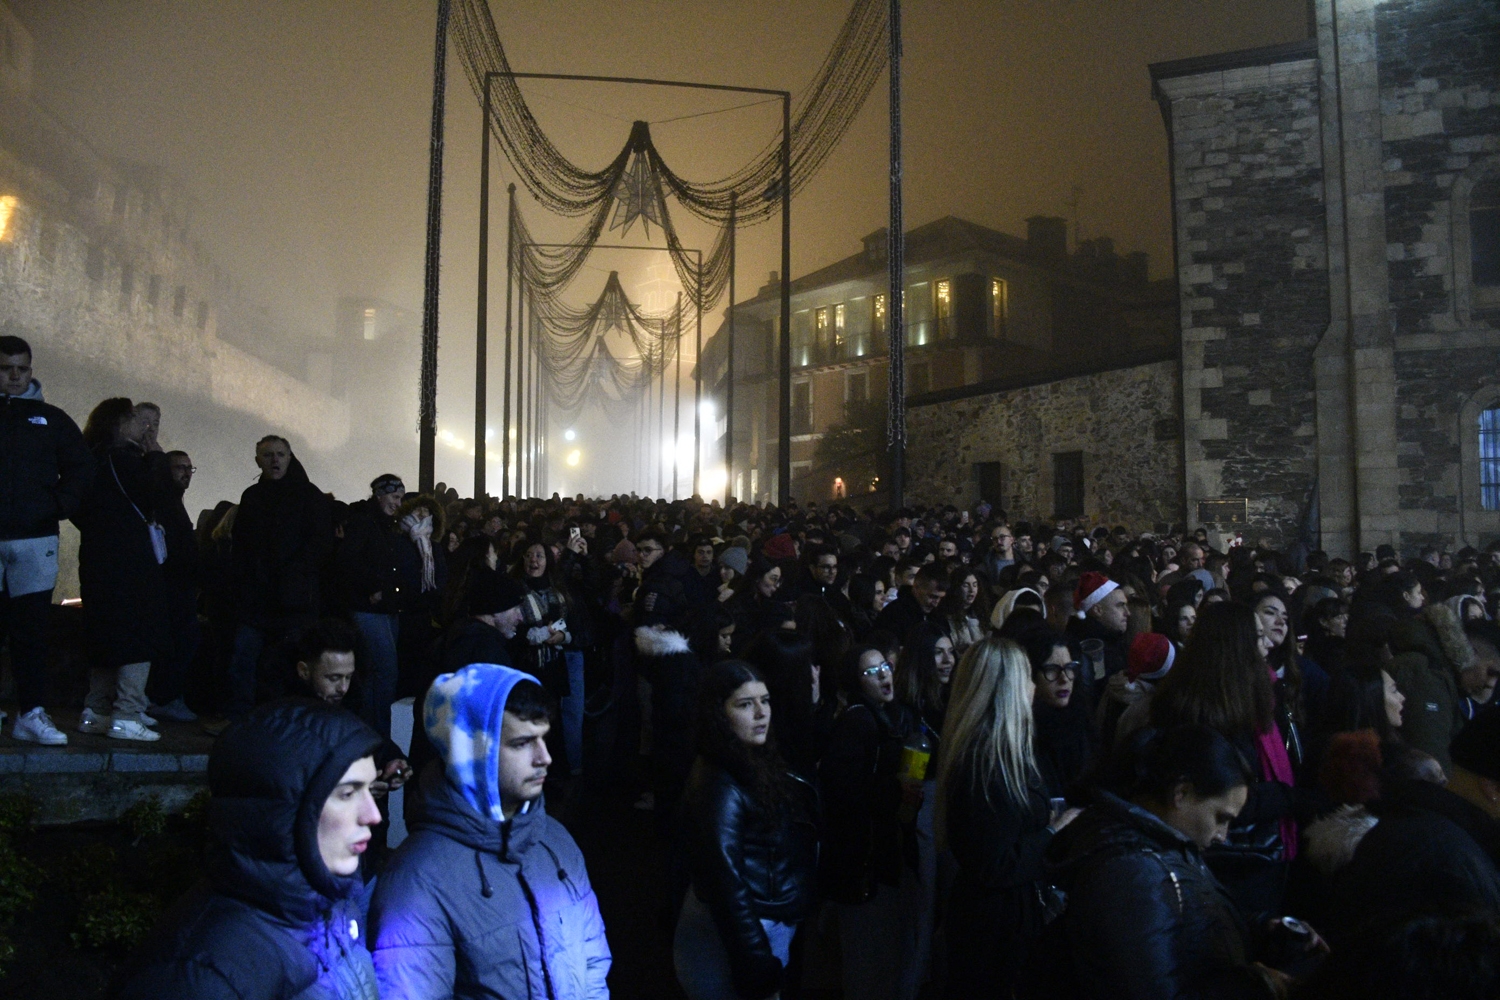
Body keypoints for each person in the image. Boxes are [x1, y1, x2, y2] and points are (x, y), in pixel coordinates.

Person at [369, 663, 611, 1000]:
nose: (544, 758)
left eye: (544, 738)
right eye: (522, 743)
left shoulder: (555, 841)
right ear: (471, 751)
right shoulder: (415, 882)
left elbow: (594, 961)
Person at [115, 699, 385, 999]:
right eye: (347, 793)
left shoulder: (331, 902)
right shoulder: (200, 976)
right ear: (280, 812)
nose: (373, 815)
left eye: (371, 790)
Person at [1034, 725, 1318, 1000]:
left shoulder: (1161, 845)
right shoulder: (1131, 872)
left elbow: (1187, 928)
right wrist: (1259, 985)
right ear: (1181, 793)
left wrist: (1261, 930)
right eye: (1220, 818)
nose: (1222, 836)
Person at [935, 637, 1079, 998]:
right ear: (1006, 689)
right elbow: (995, 863)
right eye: (1027, 677)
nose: (1034, 686)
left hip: (1004, 918)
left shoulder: (1000, 753)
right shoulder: (983, 764)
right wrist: (1053, 829)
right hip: (993, 928)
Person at [675, 660, 817, 1000]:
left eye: (765, 701)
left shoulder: (748, 757)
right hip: (746, 931)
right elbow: (728, 886)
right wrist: (758, 968)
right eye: (745, 704)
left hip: (762, 921)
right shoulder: (719, 783)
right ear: (718, 713)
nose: (761, 713)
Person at [1149, 602, 1300, 915]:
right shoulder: (1197, 713)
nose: (1269, 644)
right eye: (1259, 637)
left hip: (1252, 855)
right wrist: (1290, 798)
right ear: (1235, 647)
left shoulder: (1248, 699)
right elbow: (1215, 795)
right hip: (1224, 864)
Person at [0, 331, 93, 744]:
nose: (14, 377)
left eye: (21, 369)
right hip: (30, 535)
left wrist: (57, 505)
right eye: (6, 370)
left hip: (35, 538)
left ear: (31, 370)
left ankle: (31, 712)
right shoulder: (49, 419)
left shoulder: (52, 419)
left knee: (32, 631)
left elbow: (81, 468)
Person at [821, 644, 922, 1000]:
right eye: (870, 672)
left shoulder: (890, 716)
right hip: (864, 858)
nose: (882, 675)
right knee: (868, 959)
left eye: (884, 666)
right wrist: (895, 793)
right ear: (855, 682)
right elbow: (845, 795)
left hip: (882, 853)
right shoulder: (857, 722)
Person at [75, 397, 170, 742]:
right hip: (131, 562)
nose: (141, 425)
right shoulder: (127, 461)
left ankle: (95, 709)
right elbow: (159, 494)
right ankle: (127, 714)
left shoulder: (90, 460)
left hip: (97, 559)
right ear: (118, 424)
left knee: (104, 635)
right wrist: (157, 455)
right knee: (138, 635)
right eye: (133, 418)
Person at [224, 435, 334, 723]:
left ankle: (281, 720)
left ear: (289, 457)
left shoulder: (309, 497)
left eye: (280, 454)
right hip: (260, 598)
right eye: (269, 455)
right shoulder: (254, 497)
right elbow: (242, 546)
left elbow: (319, 545)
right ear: (258, 460)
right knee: (245, 661)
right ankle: (246, 720)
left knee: (286, 663)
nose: (274, 460)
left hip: (293, 600)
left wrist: (294, 575)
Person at [334, 473, 408, 737]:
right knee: (384, 672)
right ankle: (377, 732)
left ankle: (373, 730)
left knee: (379, 672)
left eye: (401, 497)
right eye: (395, 496)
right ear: (380, 495)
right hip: (369, 608)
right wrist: (372, 588)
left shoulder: (388, 525)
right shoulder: (364, 522)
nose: (399, 503)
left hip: (384, 607)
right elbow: (347, 560)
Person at [1022, 625, 1095, 801]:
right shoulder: (1024, 730)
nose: (1064, 679)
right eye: (1052, 670)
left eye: (1069, 668)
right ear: (1031, 674)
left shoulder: (1081, 716)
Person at [874, 561, 948, 644]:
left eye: (940, 598)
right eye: (932, 596)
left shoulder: (938, 615)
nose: (936, 603)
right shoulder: (892, 615)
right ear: (916, 587)